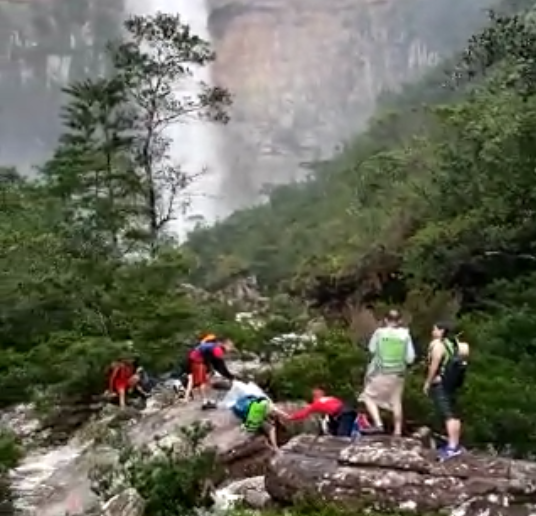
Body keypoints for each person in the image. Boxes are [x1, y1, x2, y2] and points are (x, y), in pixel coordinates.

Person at [358, 309, 416, 436]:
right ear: (400, 321)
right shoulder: (405, 335)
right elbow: (410, 358)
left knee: (367, 396)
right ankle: (398, 431)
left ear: (385, 320)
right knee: (396, 401)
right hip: (398, 374)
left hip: (382, 371)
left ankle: (378, 424)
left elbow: (372, 349)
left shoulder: (380, 333)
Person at [424, 322, 469, 461]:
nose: (432, 331)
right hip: (452, 383)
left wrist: (428, 382)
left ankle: (452, 447)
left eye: (435, 329)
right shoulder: (453, 344)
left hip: (441, 382)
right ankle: (454, 443)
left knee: (447, 414)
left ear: (441, 331)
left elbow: (435, 364)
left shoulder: (438, 345)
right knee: (453, 413)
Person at [287, 388, 370, 437]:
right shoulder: (330, 398)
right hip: (348, 411)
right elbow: (337, 407)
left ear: (314, 397)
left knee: (342, 436)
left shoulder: (316, 403)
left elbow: (303, 413)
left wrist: (290, 417)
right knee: (336, 430)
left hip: (343, 414)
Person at [183, 334, 235, 409]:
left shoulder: (216, 346)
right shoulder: (217, 349)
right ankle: (205, 402)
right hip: (197, 361)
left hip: (197, 359)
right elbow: (220, 366)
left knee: (204, 379)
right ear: (225, 344)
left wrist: (228, 375)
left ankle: (204, 400)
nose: (230, 349)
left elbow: (217, 365)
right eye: (230, 347)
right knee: (201, 382)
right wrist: (230, 376)